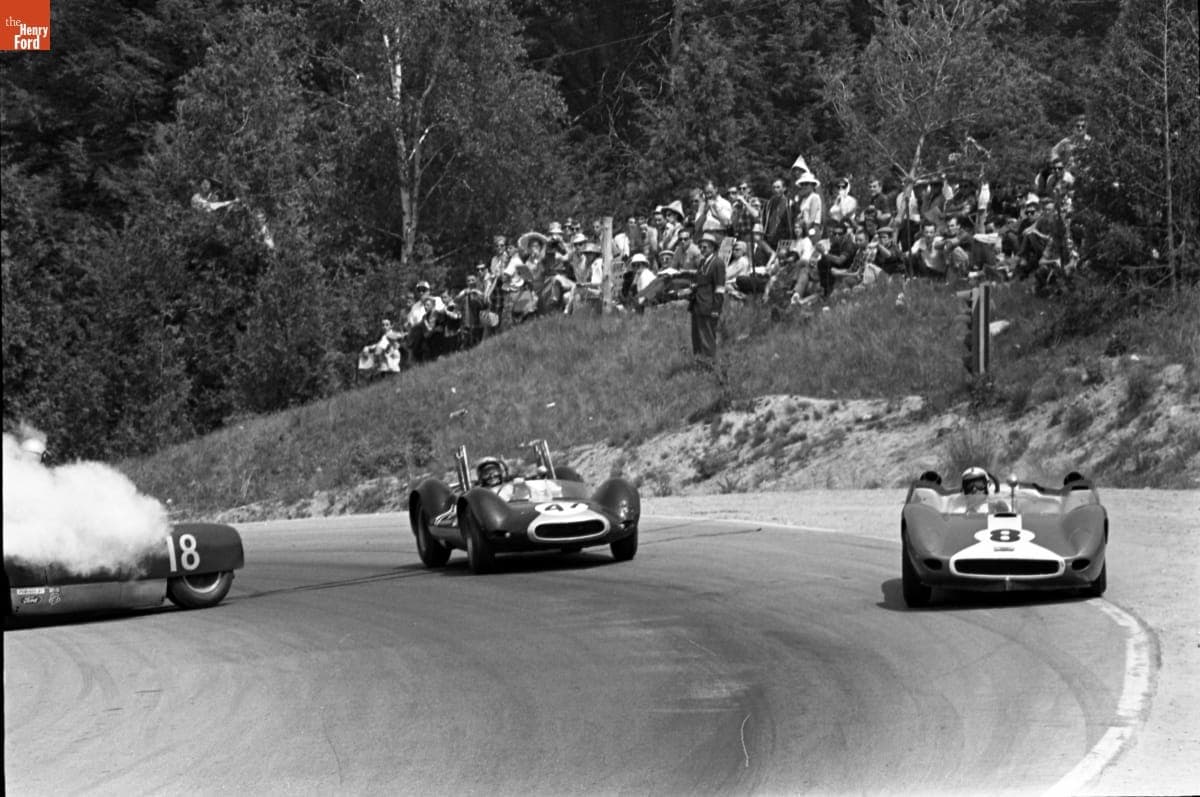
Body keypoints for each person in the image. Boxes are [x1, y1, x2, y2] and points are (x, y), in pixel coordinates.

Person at [687, 232, 725, 363]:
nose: (702, 249)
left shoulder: (718, 263)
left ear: (713, 247)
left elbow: (720, 288)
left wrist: (716, 308)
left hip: (709, 306)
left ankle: (710, 364)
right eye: (701, 247)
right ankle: (699, 363)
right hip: (697, 304)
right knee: (697, 337)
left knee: (707, 337)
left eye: (705, 247)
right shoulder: (703, 262)